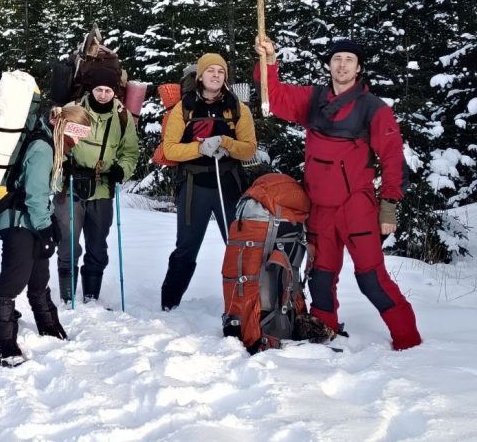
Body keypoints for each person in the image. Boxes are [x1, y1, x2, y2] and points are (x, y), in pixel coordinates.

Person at [254, 36, 421, 350]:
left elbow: (392, 156)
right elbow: (273, 97)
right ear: (329, 65)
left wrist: (389, 205)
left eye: (349, 60)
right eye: (337, 59)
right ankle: (323, 330)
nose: (342, 65)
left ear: (358, 68)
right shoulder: (314, 99)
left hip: (356, 205)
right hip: (319, 206)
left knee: (371, 278)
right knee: (320, 276)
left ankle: (408, 339)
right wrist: (269, 60)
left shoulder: (373, 108)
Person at [0, 105, 92, 368]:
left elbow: (42, 196)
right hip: (18, 222)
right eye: (76, 132)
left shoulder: (52, 145)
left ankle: (48, 325)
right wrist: (46, 229)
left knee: (39, 279)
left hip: (33, 222)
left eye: (83, 134)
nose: (78, 140)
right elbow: (35, 194)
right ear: (64, 127)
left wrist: (50, 228)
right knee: (14, 281)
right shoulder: (43, 148)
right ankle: (4, 345)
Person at [160, 53, 257, 311]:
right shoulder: (185, 107)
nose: (215, 75)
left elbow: (249, 149)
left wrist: (225, 143)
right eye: (210, 71)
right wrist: (200, 149)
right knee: (186, 248)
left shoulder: (237, 108)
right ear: (200, 75)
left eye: (220, 71)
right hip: (194, 187)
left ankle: (245, 305)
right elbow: (170, 150)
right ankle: (169, 304)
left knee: (238, 247)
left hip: (229, 185)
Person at [53, 66, 139, 304]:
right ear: (92, 89)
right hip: (70, 186)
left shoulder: (122, 117)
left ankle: (91, 295)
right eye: (99, 89)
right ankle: (67, 296)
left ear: (115, 92)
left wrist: (122, 170)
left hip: (103, 188)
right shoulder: (75, 112)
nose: (102, 94)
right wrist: (64, 163)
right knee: (68, 242)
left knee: (98, 245)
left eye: (107, 90)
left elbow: (130, 151)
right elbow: (58, 143)